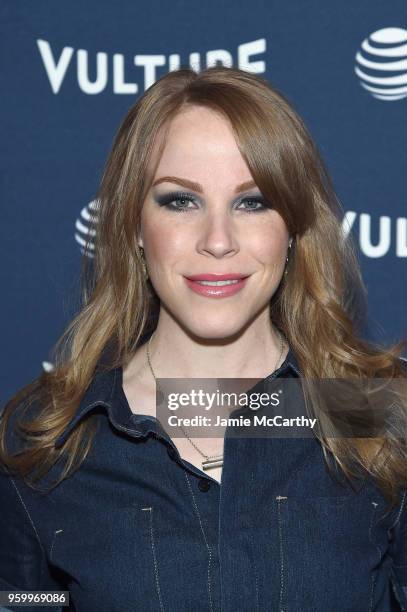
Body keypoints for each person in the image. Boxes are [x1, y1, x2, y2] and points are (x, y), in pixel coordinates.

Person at [1, 65, 407, 612]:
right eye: (180, 200)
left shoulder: (376, 418)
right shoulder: (47, 440)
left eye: (253, 201)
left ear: (293, 230)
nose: (219, 241)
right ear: (133, 227)